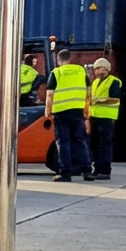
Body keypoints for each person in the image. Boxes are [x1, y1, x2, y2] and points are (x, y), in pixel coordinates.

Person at [43, 48, 93, 182]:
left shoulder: (56, 72)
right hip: (78, 112)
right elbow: (88, 93)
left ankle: (65, 173)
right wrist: (86, 113)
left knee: (63, 143)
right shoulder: (81, 71)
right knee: (81, 141)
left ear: (58, 60)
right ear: (70, 59)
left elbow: (49, 94)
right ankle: (87, 171)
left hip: (61, 113)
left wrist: (47, 111)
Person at [88, 57, 122, 181]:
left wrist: (101, 100)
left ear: (106, 68)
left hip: (107, 118)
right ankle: (96, 169)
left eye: (99, 68)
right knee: (95, 145)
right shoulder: (95, 82)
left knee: (104, 145)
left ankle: (105, 170)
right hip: (95, 117)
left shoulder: (114, 81)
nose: (97, 71)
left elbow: (115, 98)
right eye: (95, 69)